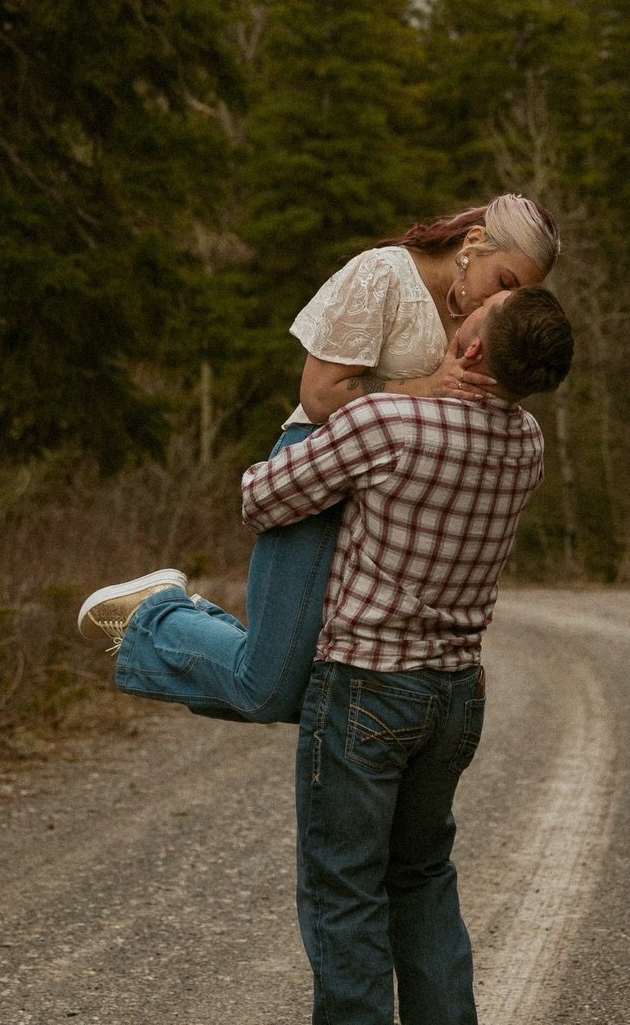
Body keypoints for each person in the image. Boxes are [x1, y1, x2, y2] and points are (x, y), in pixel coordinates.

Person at [76, 193, 559, 725]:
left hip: (383, 507)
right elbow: (321, 395)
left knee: (337, 690)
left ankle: (190, 620)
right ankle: (158, 615)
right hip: (314, 474)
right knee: (269, 692)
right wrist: (426, 386)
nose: (503, 303)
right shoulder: (383, 276)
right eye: (506, 283)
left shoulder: (479, 319)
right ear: (473, 244)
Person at [241, 283, 574, 1025]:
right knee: (421, 878)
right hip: (454, 696)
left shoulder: (388, 420)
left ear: (474, 348)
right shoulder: (528, 442)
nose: (465, 311)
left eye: (477, 315)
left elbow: (261, 498)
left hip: (365, 686)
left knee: (345, 894)